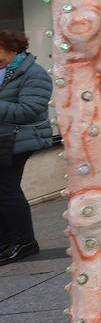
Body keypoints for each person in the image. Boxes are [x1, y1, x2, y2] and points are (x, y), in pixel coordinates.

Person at [0, 30, 53, 265]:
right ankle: (6, 241)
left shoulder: (34, 73)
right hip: (4, 138)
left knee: (7, 189)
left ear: (12, 48)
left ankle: (24, 242)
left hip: (20, 139)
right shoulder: (4, 70)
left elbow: (28, 111)